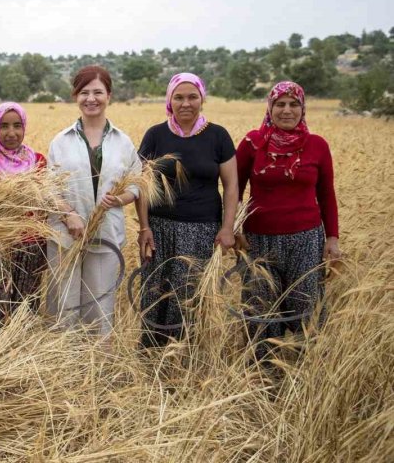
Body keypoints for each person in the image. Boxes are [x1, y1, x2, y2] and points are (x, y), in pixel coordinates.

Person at [235, 81, 341, 360]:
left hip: (305, 239)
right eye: (280, 104)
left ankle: (303, 369)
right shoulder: (252, 143)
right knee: (260, 309)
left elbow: (327, 195)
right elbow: (233, 187)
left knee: (306, 308)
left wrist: (332, 237)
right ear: (269, 108)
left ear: (303, 108)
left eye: (294, 104)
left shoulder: (317, 145)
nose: (287, 110)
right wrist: (235, 227)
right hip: (258, 240)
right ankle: (262, 372)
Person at [135, 73, 238, 347]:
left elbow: (231, 187)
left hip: (202, 231)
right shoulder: (155, 135)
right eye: (178, 97)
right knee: (155, 294)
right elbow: (141, 185)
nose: (186, 103)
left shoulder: (218, 136)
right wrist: (144, 227)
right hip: (160, 228)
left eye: (192, 96)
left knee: (189, 296)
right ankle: (151, 358)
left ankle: (185, 358)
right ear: (169, 99)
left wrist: (227, 227)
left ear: (202, 98)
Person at [46, 66, 141, 337]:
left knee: (99, 306)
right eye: (84, 92)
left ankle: (97, 367)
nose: (91, 98)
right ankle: (64, 366)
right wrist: (68, 215)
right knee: (64, 305)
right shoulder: (60, 141)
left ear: (109, 95)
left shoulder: (123, 142)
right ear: (75, 96)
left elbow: (136, 184)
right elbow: (49, 187)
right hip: (66, 235)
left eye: (98, 92)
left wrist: (118, 199)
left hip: (106, 234)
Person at [0, 102, 48, 319]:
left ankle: (25, 349)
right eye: (4, 126)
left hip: (33, 246)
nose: (11, 133)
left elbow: (47, 201)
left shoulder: (38, 162)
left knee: (27, 307)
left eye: (17, 126)